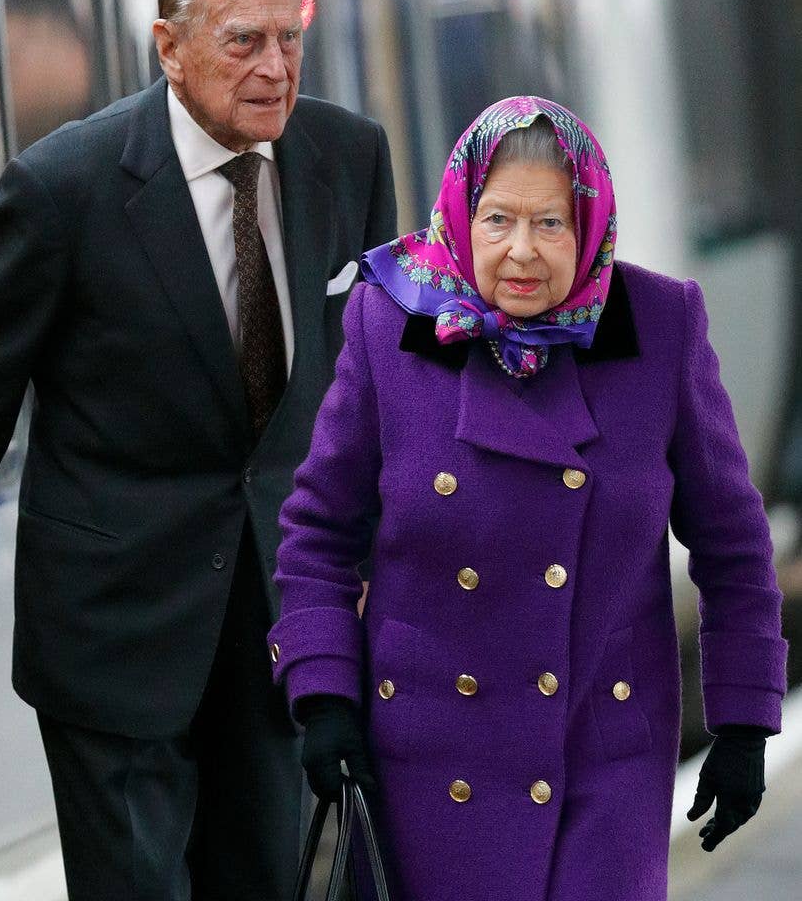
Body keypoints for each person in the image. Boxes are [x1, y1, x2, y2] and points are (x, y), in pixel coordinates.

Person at [0, 0, 396, 900]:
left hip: (282, 616)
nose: (275, 68)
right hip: (113, 626)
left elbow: (380, 378)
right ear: (169, 46)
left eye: (290, 39)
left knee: (263, 881)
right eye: (244, 42)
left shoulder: (347, 155)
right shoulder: (64, 187)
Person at [267, 97, 787, 901]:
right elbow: (317, 534)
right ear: (458, 215)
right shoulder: (389, 323)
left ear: (589, 224)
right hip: (430, 761)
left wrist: (745, 719)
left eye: (549, 224)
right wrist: (323, 693)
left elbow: (732, 545)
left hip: (601, 764)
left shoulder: (659, 323)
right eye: (496, 219)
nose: (520, 252)